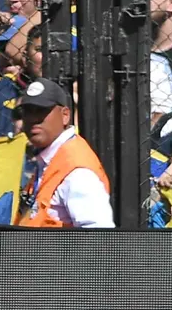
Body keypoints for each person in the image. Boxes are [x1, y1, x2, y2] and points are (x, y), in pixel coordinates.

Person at [15, 79, 115, 228]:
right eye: (27, 111)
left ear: (65, 115)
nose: (33, 119)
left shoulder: (78, 172)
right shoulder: (50, 156)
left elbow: (98, 235)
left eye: (41, 111)